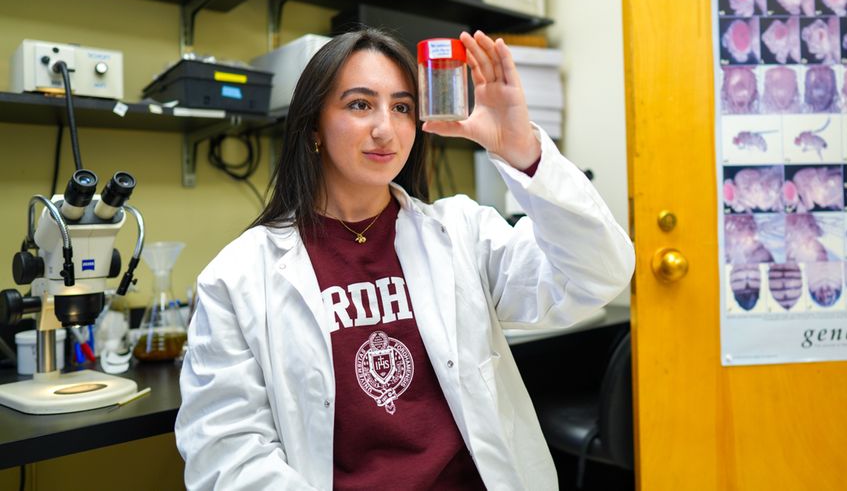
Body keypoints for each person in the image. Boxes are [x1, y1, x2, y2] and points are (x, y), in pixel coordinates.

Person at [174, 28, 635, 490]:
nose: (384, 128)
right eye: (359, 104)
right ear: (313, 125)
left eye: (402, 107)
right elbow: (227, 456)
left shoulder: (461, 233)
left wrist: (520, 150)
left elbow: (599, 273)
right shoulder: (237, 277)